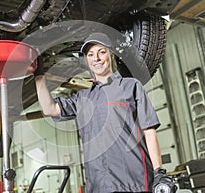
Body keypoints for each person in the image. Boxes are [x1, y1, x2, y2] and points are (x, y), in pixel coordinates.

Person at [34, 32, 175, 192]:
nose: (97, 59)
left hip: (134, 182)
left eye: (102, 52)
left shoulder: (131, 87)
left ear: (111, 55)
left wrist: (159, 171)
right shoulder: (82, 97)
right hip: (98, 185)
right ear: (87, 60)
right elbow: (49, 108)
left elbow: (149, 131)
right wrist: (39, 75)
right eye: (91, 54)